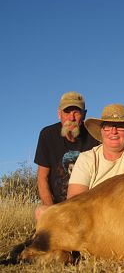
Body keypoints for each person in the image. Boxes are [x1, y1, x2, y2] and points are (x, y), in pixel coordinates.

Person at [34, 91, 99, 220]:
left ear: (84, 115)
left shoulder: (94, 137)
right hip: (59, 207)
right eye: (67, 112)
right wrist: (51, 210)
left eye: (76, 112)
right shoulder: (48, 135)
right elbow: (42, 178)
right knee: (41, 212)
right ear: (59, 114)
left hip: (88, 207)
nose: (71, 117)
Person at [67, 103, 124, 197]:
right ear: (101, 131)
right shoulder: (86, 158)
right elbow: (74, 199)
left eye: (120, 126)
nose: (114, 132)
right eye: (108, 126)